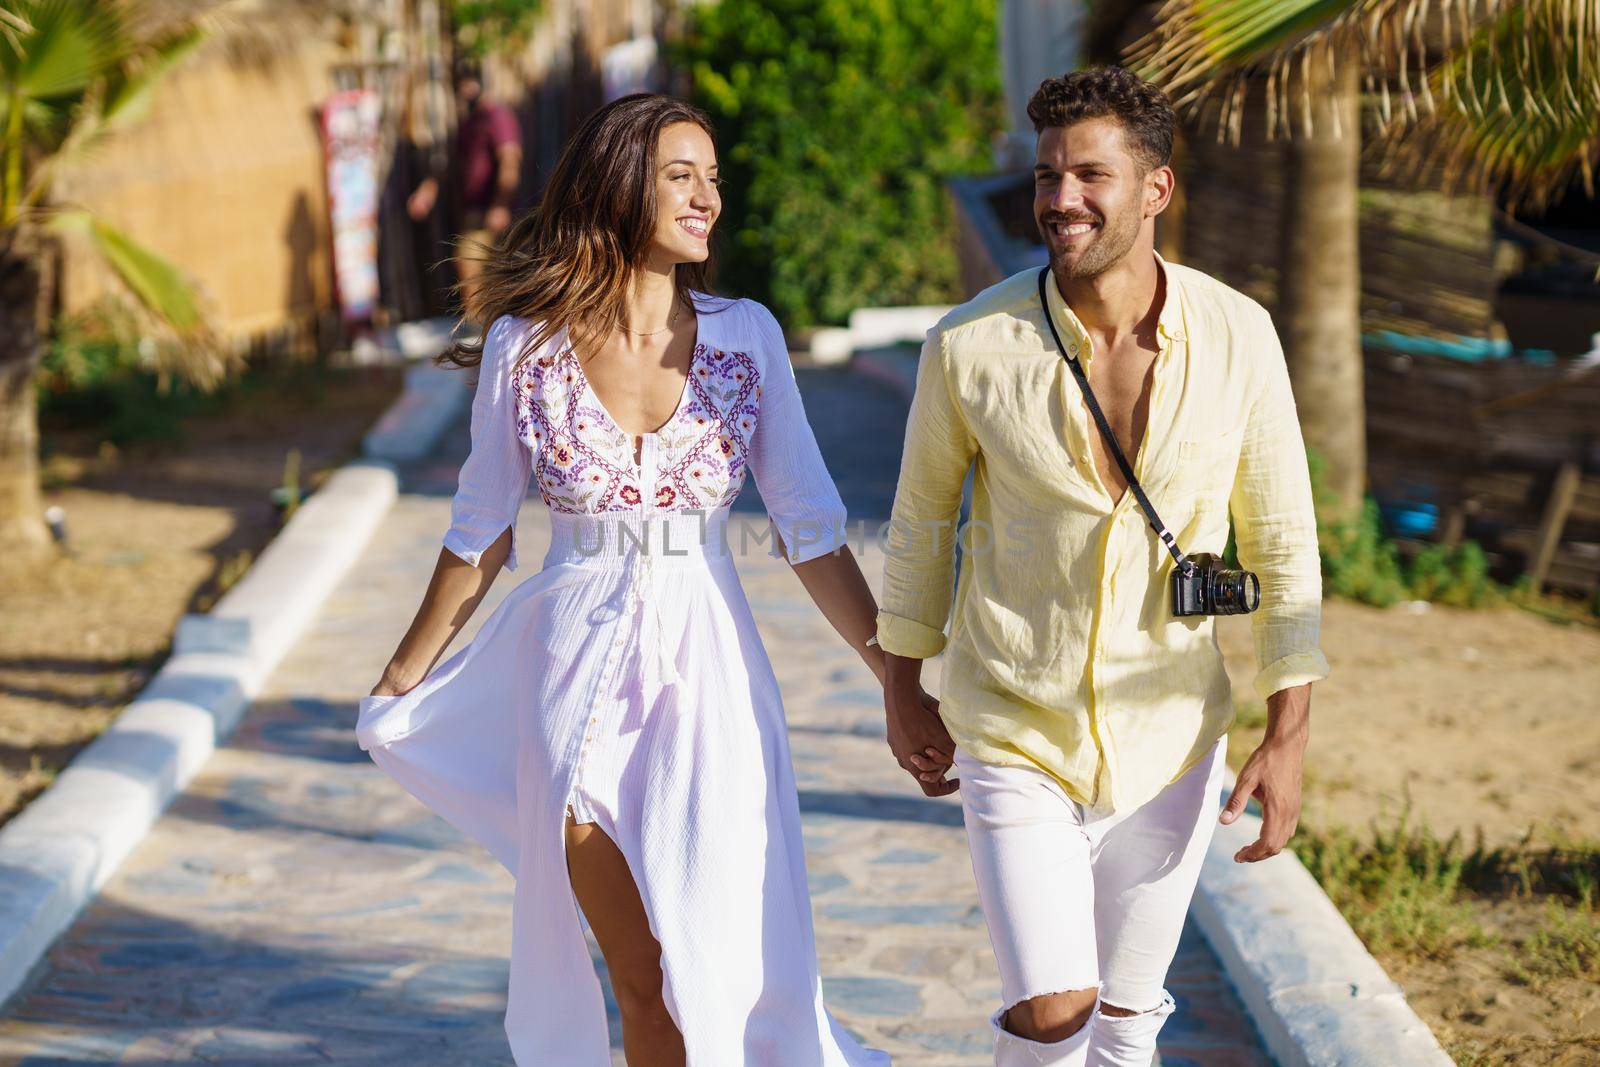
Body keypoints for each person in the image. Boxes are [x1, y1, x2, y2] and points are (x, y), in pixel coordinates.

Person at [357, 92, 913, 1066]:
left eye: (714, 178)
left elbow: (812, 531)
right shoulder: (523, 347)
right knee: (639, 974)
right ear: (619, 186)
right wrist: (401, 677)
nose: (707, 197)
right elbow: (479, 533)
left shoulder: (748, 336)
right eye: (681, 175)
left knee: (723, 968)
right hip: (568, 668)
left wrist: (895, 676)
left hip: (712, 677)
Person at [874, 66, 1330, 1066]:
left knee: (1126, 1020)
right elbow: (919, 523)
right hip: (1011, 720)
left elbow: (1283, 538)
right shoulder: (970, 345)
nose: (1059, 199)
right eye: (1045, 176)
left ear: (1155, 189)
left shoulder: (1238, 336)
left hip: (1170, 736)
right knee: (1052, 1009)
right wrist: (901, 682)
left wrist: (1286, 725)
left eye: (1088, 174)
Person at [407, 60, 523, 317]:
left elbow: (509, 160)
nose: (465, 92)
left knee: (470, 265)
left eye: (469, 86)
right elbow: (450, 163)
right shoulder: (470, 121)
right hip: (470, 213)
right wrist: (428, 191)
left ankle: (478, 329)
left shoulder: (497, 116)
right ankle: (478, 329)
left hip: (489, 212)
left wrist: (500, 205)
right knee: (474, 270)